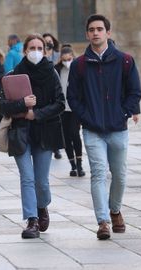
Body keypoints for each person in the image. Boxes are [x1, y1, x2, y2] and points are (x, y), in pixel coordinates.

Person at [67, 14, 141, 240]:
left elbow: (134, 92)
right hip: (92, 130)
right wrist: (85, 117)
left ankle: (115, 210)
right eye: (92, 29)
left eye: (100, 29)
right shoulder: (79, 65)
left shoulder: (125, 61)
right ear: (87, 34)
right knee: (98, 173)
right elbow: (73, 97)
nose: (96, 33)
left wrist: (123, 113)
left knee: (119, 175)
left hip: (118, 129)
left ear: (108, 33)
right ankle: (103, 222)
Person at [0, 34, 65, 239]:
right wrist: (22, 104)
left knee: (41, 181)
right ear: (24, 51)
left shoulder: (51, 73)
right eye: (31, 48)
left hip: (45, 132)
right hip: (20, 133)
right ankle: (32, 220)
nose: (35, 51)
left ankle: (42, 206)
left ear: (45, 51)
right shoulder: (13, 74)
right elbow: (1, 104)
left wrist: (35, 113)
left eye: (39, 48)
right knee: (27, 178)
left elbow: (60, 103)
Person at [54, 45, 86, 177]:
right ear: (61, 59)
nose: (67, 61)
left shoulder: (79, 69)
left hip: (75, 108)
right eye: (64, 59)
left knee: (75, 134)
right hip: (62, 109)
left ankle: (79, 164)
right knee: (66, 137)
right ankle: (72, 165)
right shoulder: (57, 70)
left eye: (69, 58)